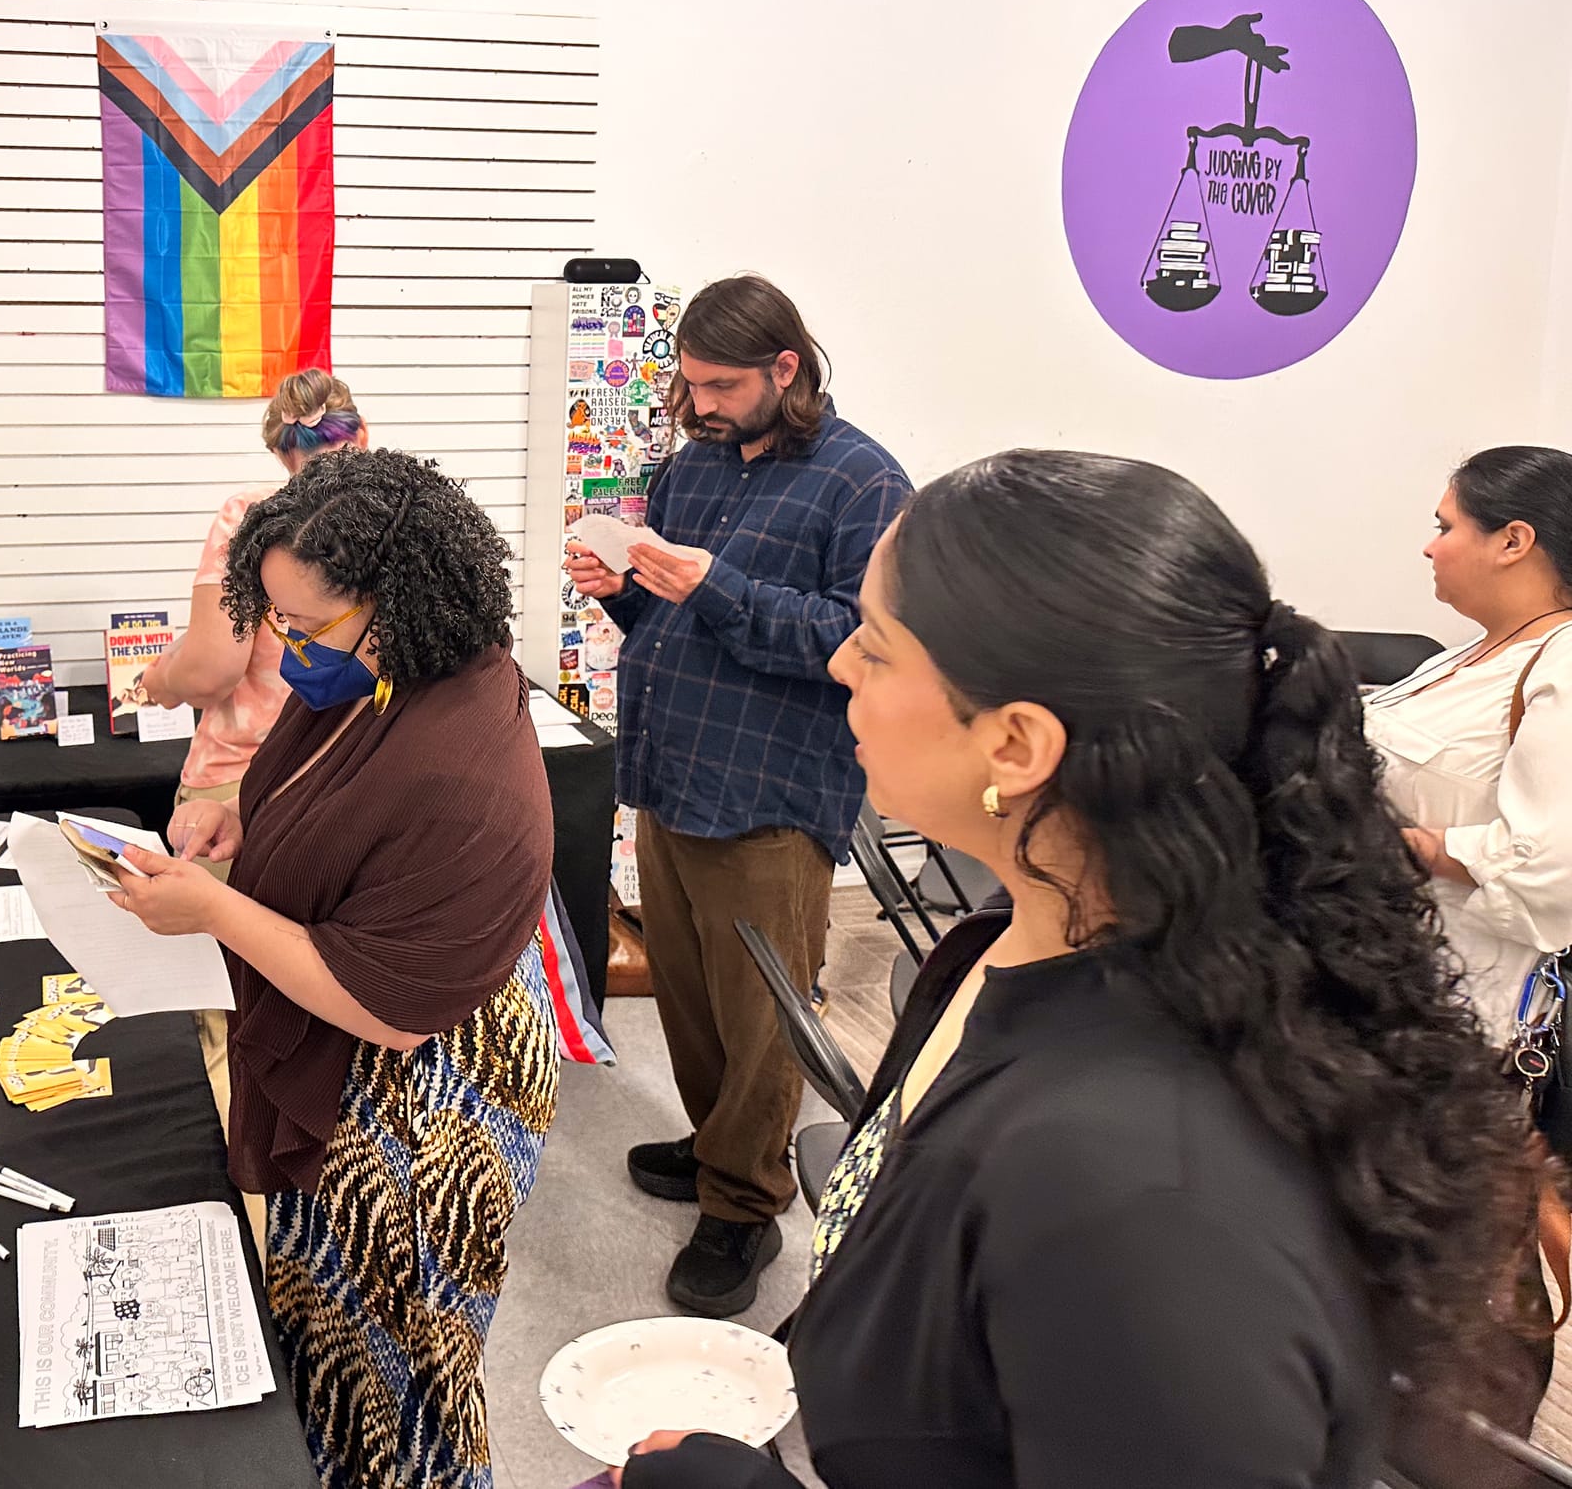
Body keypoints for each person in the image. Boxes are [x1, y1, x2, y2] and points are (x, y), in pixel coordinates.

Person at [621, 450, 1539, 1488]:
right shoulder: (1008, 947)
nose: (839, 667)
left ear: (1015, 745)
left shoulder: (1137, 1199)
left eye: (873, 646)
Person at [108, 449, 557, 1489]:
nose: (286, 648)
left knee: (394, 1372)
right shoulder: (383, 671)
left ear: (397, 605)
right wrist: (241, 813)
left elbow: (389, 1009)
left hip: (424, 1102)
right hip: (368, 1037)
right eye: (274, 620)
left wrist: (214, 909)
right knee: (320, 1336)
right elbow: (322, 783)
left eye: (306, 627)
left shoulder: (460, 769)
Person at [564, 274, 910, 1316]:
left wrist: (714, 584)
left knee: (761, 1013)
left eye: (721, 386)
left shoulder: (864, 483)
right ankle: (719, 1143)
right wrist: (624, 592)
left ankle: (746, 1205)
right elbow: (678, 623)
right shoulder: (695, 465)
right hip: (670, 771)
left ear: (784, 368)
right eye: (690, 383)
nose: (700, 405)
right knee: (690, 992)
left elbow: (856, 642)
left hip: (770, 789)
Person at [139, 368, 366, 1132]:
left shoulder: (252, 520)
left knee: (224, 1010)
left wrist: (159, 679)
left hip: (236, 788)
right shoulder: (401, 529)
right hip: (349, 794)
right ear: (360, 435)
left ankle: (243, 1190)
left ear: (280, 451)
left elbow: (212, 667)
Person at [1364, 445, 1572, 1033]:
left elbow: (1554, 865)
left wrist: (1380, 846)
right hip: (1384, 975)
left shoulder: (1563, 663)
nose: (1430, 548)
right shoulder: (1457, 658)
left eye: (1445, 527)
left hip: (1460, 1012)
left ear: (1512, 541)